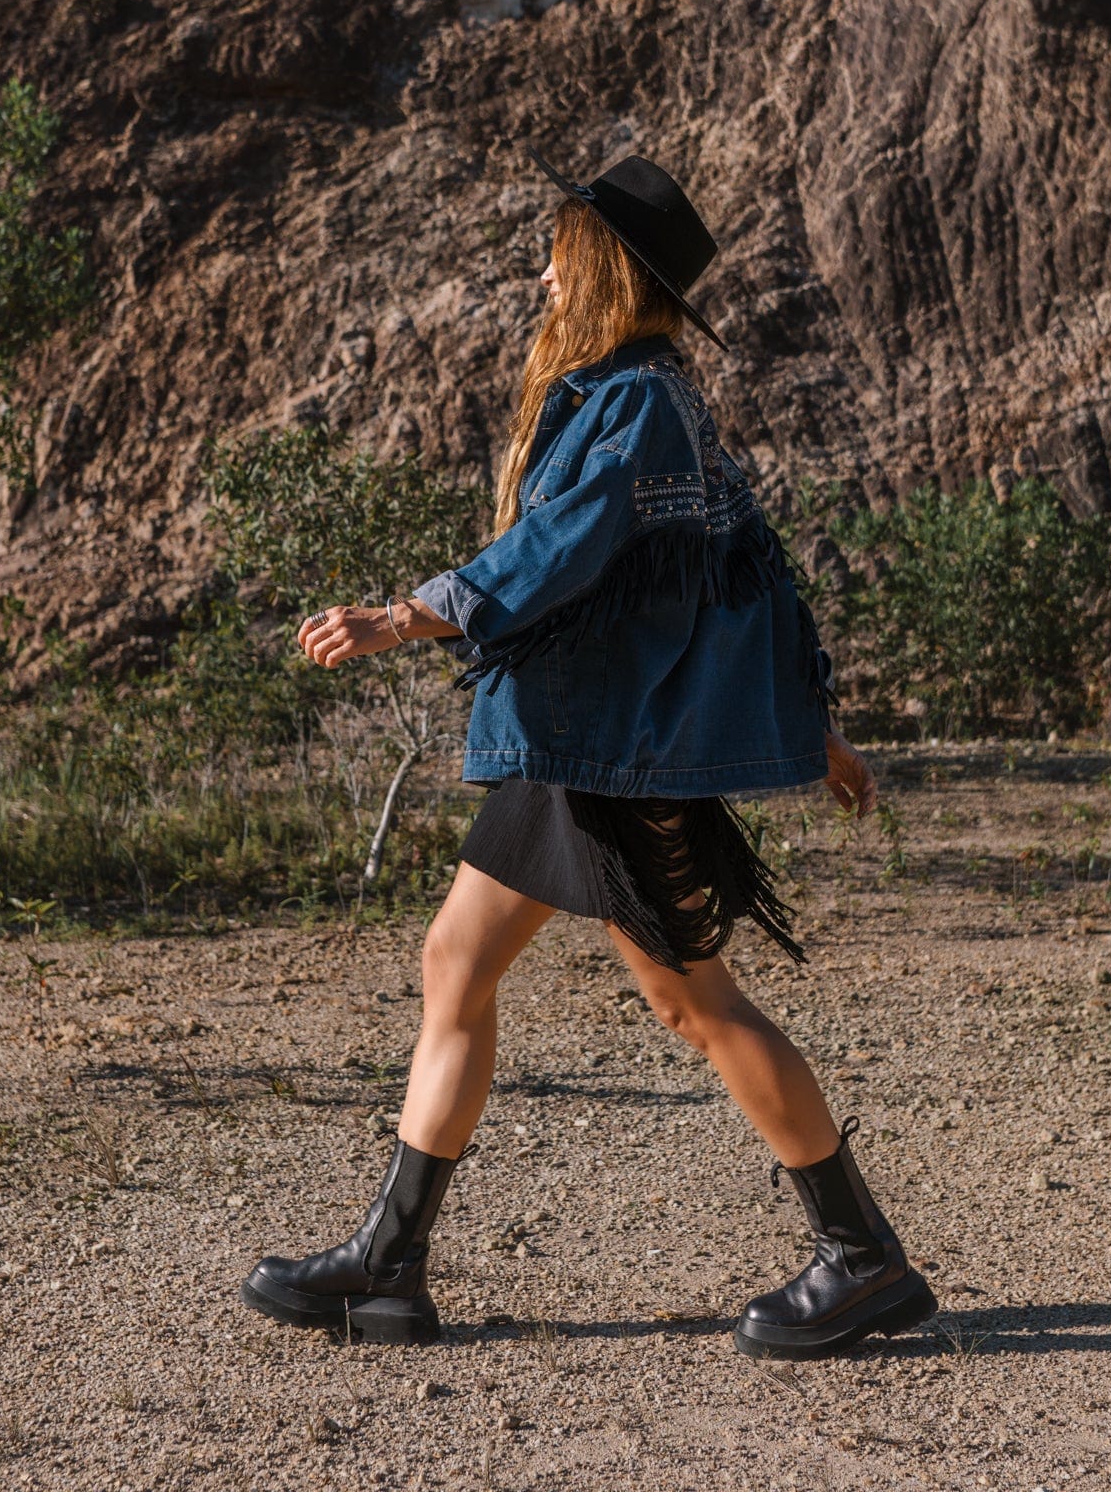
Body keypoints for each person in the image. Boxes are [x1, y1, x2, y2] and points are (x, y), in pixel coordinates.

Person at [241, 148, 938, 1359]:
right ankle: (387, 1264)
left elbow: (569, 547)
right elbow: (747, 564)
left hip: (620, 757)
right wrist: (808, 717)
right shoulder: (625, 393)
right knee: (454, 959)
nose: (543, 268)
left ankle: (863, 1256)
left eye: (560, 247)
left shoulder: (641, 406)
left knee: (693, 1000)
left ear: (603, 265)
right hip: (571, 745)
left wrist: (410, 613)